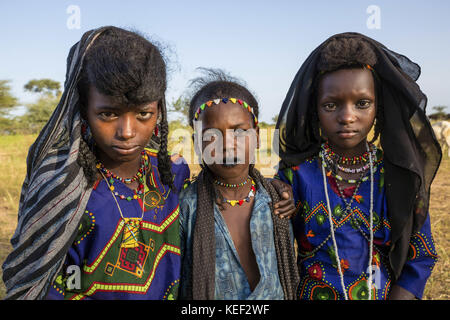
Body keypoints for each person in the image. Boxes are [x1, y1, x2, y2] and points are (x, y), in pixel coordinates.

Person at [2, 26, 190, 300]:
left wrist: (273, 191)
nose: (127, 131)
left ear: (159, 110)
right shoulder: (63, 187)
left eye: (143, 113)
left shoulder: (172, 176)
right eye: (108, 114)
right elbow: (52, 284)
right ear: (83, 110)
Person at [275, 32, 441, 300]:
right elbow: (274, 252)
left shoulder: (399, 178)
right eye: (331, 105)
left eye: (362, 103)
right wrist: (273, 196)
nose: (347, 116)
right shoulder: (296, 175)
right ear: (315, 110)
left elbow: (420, 257)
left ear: (379, 107)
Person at [178, 69, 299, 300]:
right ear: (196, 144)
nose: (227, 145)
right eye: (211, 135)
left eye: (240, 132)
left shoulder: (277, 199)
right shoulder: (186, 207)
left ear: (256, 135)